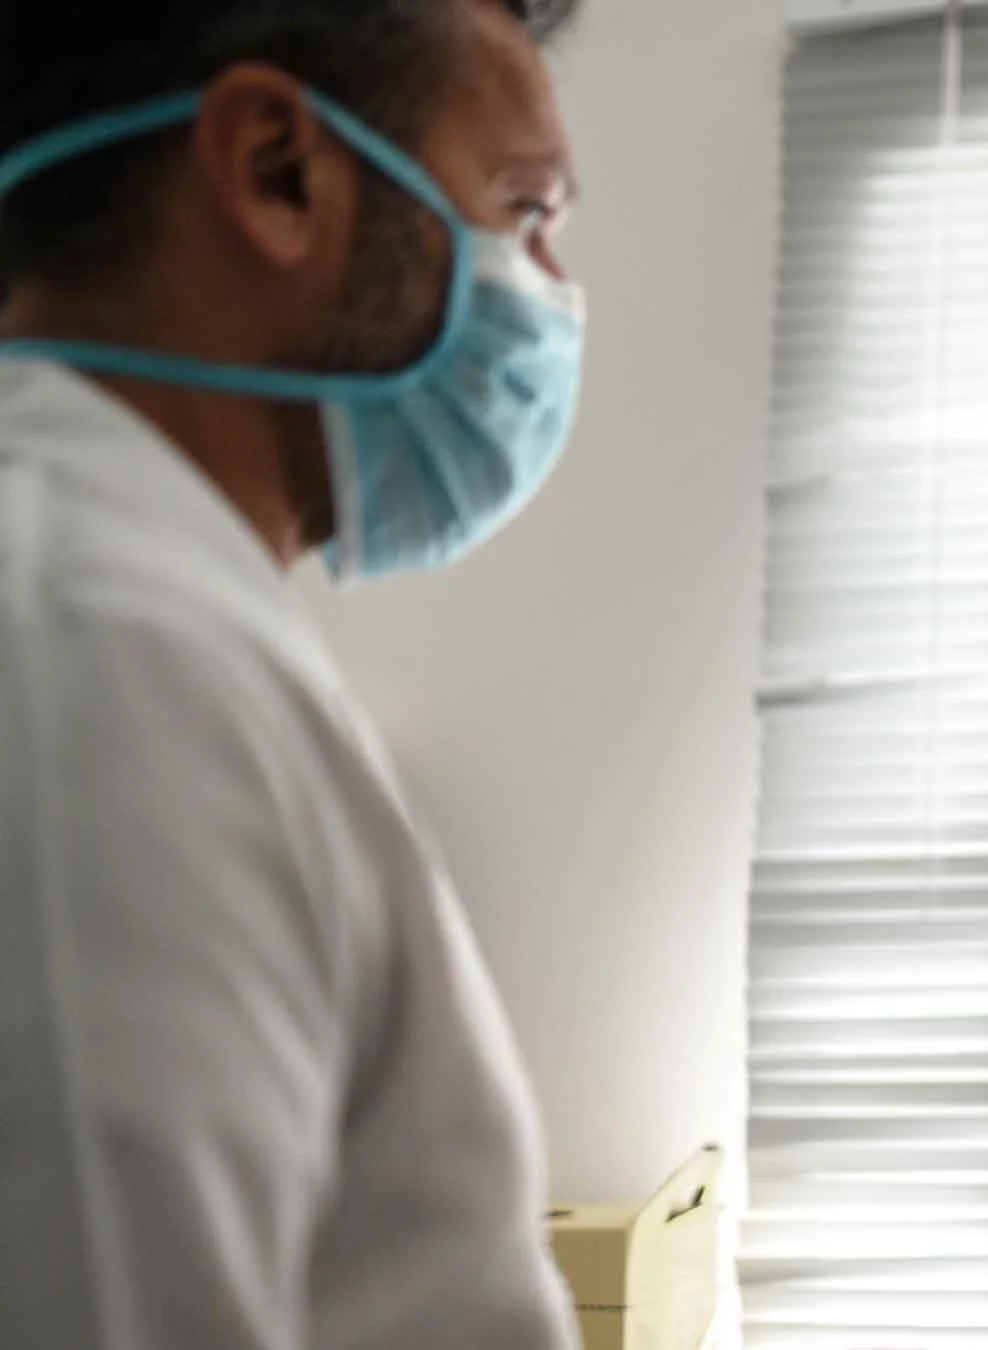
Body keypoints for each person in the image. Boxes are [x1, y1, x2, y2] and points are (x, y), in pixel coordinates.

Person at [0, 1, 588, 1346]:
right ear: (279, 171)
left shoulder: (158, 618)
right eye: (524, 209)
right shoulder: (99, 653)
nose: (551, 293)